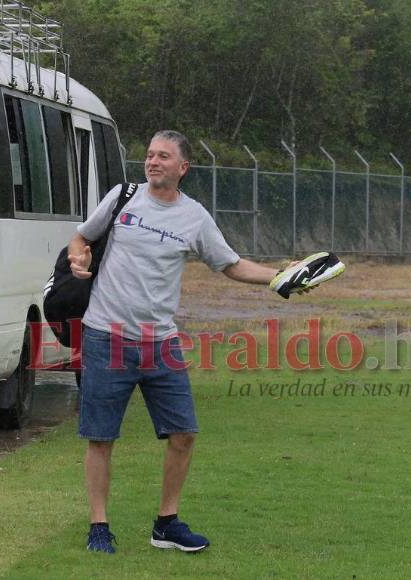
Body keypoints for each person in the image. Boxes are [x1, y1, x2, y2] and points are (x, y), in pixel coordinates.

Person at [67, 130, 288, 554]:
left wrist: (279, 276)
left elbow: (231, 264)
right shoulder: (122, 197)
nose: (153, 162)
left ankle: (166, 524)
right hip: (107, 336)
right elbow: (82, 237)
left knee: (183, 433)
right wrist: (79, 256)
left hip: (160, 342)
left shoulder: (194, 217)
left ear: (183, 167)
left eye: (164, 156)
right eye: (150, 154)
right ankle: (99, 527)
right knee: (101, 437)